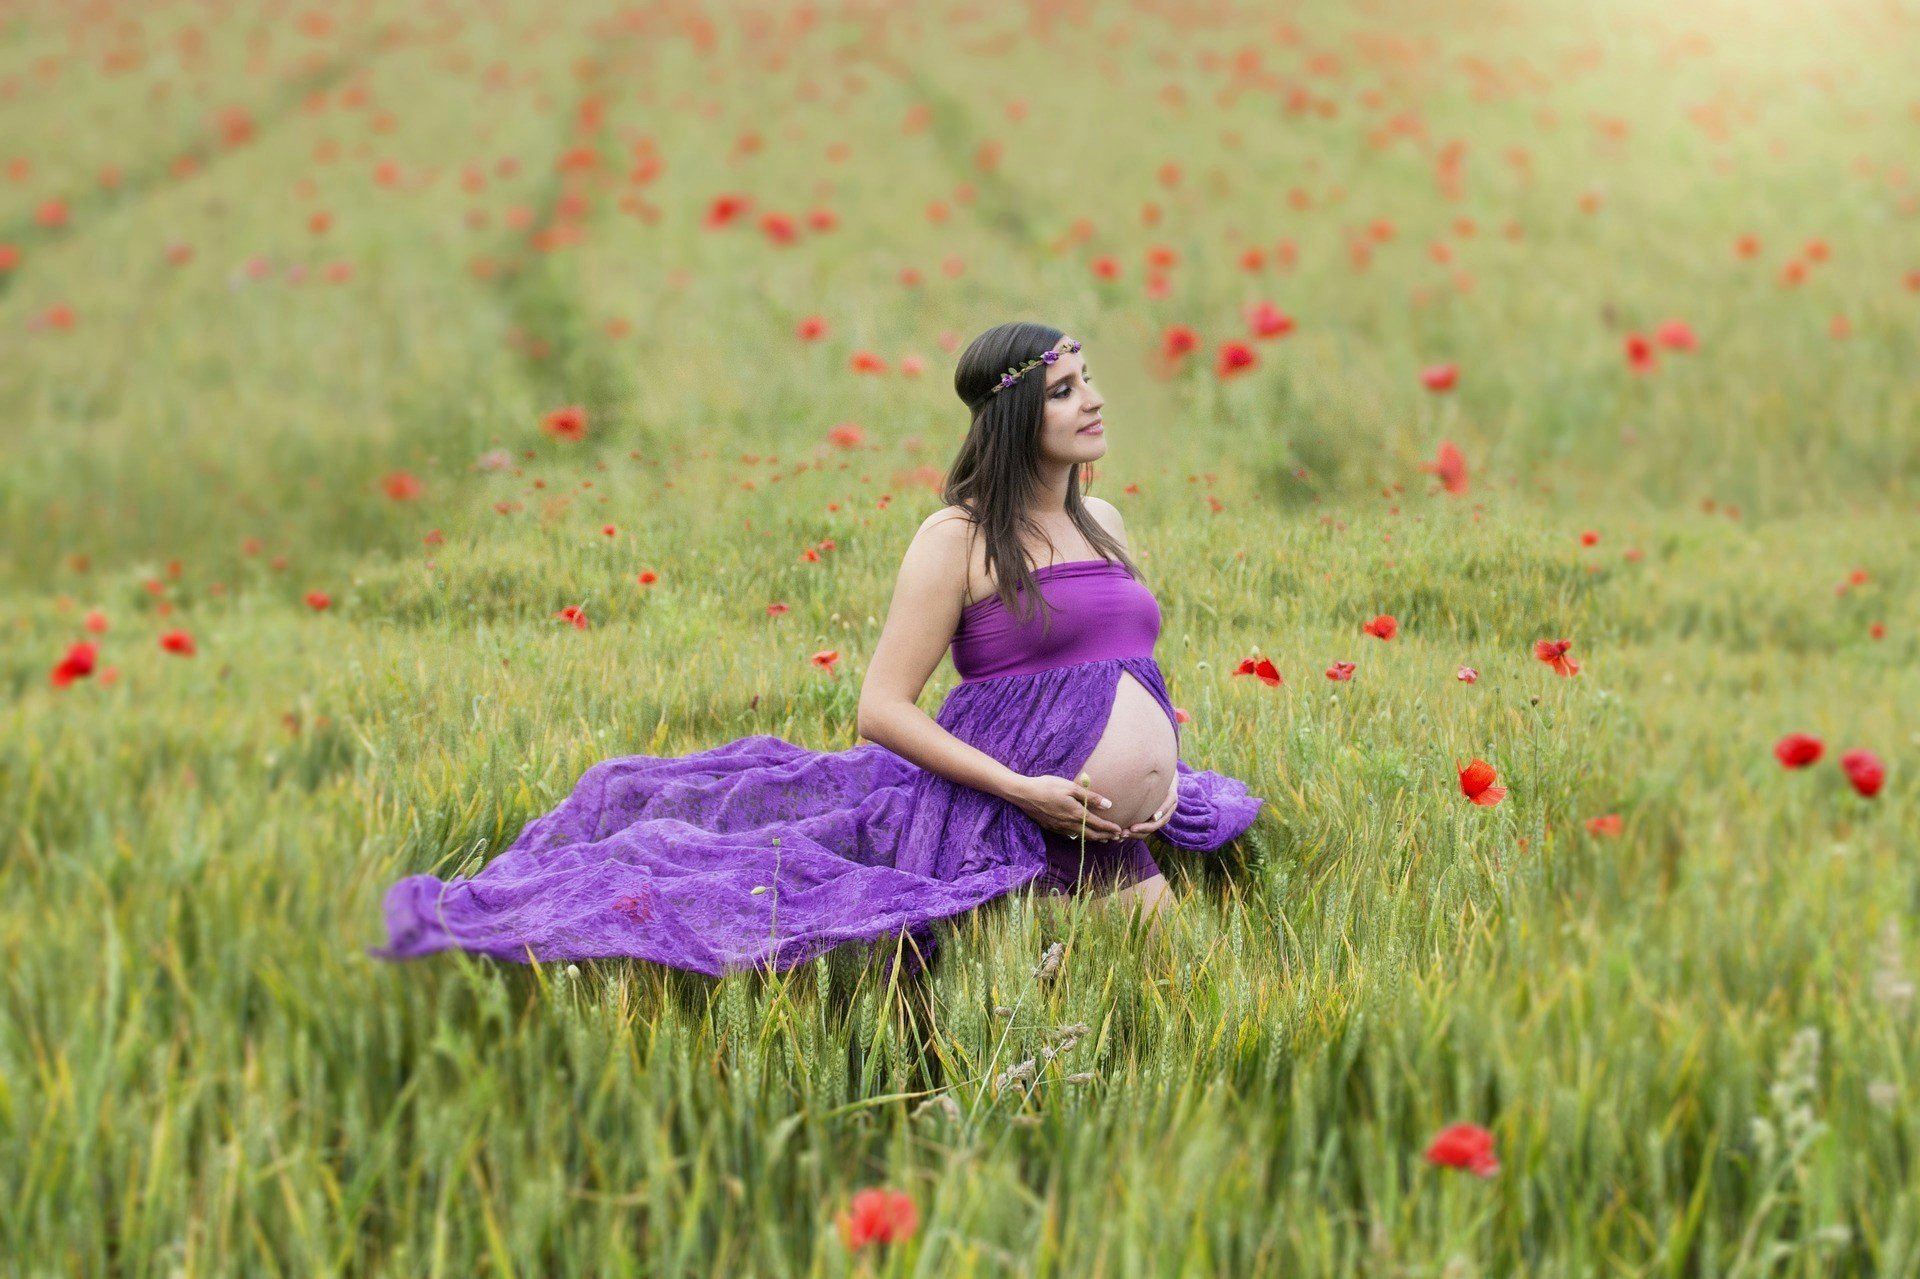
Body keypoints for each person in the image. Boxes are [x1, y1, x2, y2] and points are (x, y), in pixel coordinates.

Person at [370, 322, 1264, 979]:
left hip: (1112, 825)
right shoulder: (953, 539)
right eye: (1064, 388)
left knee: (1199, 991)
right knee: (1020, 1003)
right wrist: (1022, 787)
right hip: (1008, 821)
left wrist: (1168, 776)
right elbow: (879, 707)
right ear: (1015, 413)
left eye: (1089, 379)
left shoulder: (1103, 520)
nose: (1094, 399)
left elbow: (1129, 668)